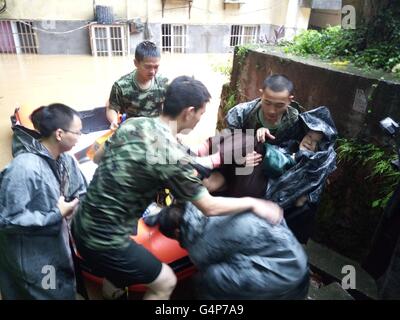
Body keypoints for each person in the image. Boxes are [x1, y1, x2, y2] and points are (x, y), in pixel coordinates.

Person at [72, 76, 283, 300]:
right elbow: (208, 206)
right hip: (104, 239)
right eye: (201, 114)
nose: (200, 120)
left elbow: (98, 157)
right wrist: (254, 204)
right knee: (165, 281)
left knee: (117, 272)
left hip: (81, 222)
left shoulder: (135, 123)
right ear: (189, 112)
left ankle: (111, 292)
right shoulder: (172, 155)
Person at [0, 103, 87, 300]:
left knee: (61, 289)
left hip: (56, 245)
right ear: (59, 134)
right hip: (32, 257)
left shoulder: (66, 159)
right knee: (46, 292)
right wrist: (57, 214)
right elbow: (7, 219)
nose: (80, 137)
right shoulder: (24, 168)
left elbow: (80, 191)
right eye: (78, 132)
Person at [157, 202, 309, 300]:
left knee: (207, 280)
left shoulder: (198, 248)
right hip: (296, 257)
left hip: (283, 274)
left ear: (177, 232)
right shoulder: (218, 204)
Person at [106, 40, 168, 130]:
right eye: (148, 67)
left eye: (156, 67)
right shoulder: (121, 86)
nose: (152, 72)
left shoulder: (163, 83)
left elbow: (171, 110)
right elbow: (112, 108)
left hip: (155, 130)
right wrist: (114, 121)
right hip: (132, 131)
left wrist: (176, 132)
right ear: (136, 63)